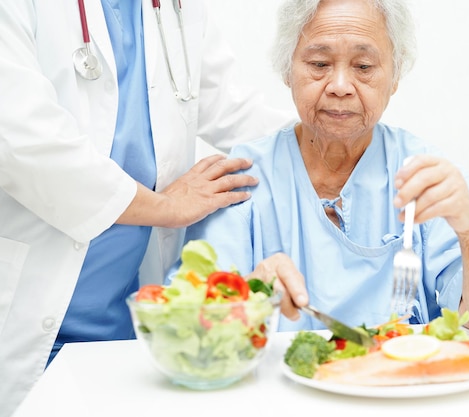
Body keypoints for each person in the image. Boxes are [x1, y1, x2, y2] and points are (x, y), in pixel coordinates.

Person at [0, 1, 294, 415]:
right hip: (33, 318)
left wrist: (337, 136)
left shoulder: (177, 8)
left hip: (131, 327)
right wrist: (165, 207)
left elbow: (228, 106)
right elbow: (24, 142)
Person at [176, 0, 469, 334]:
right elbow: (190, 330)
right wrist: (247, 293)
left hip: (401, 387)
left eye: (363, 67)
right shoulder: (241, 179)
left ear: (395, 75)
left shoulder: (426, 175)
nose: (341, 86)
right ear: (287, 70)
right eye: (319, 64)